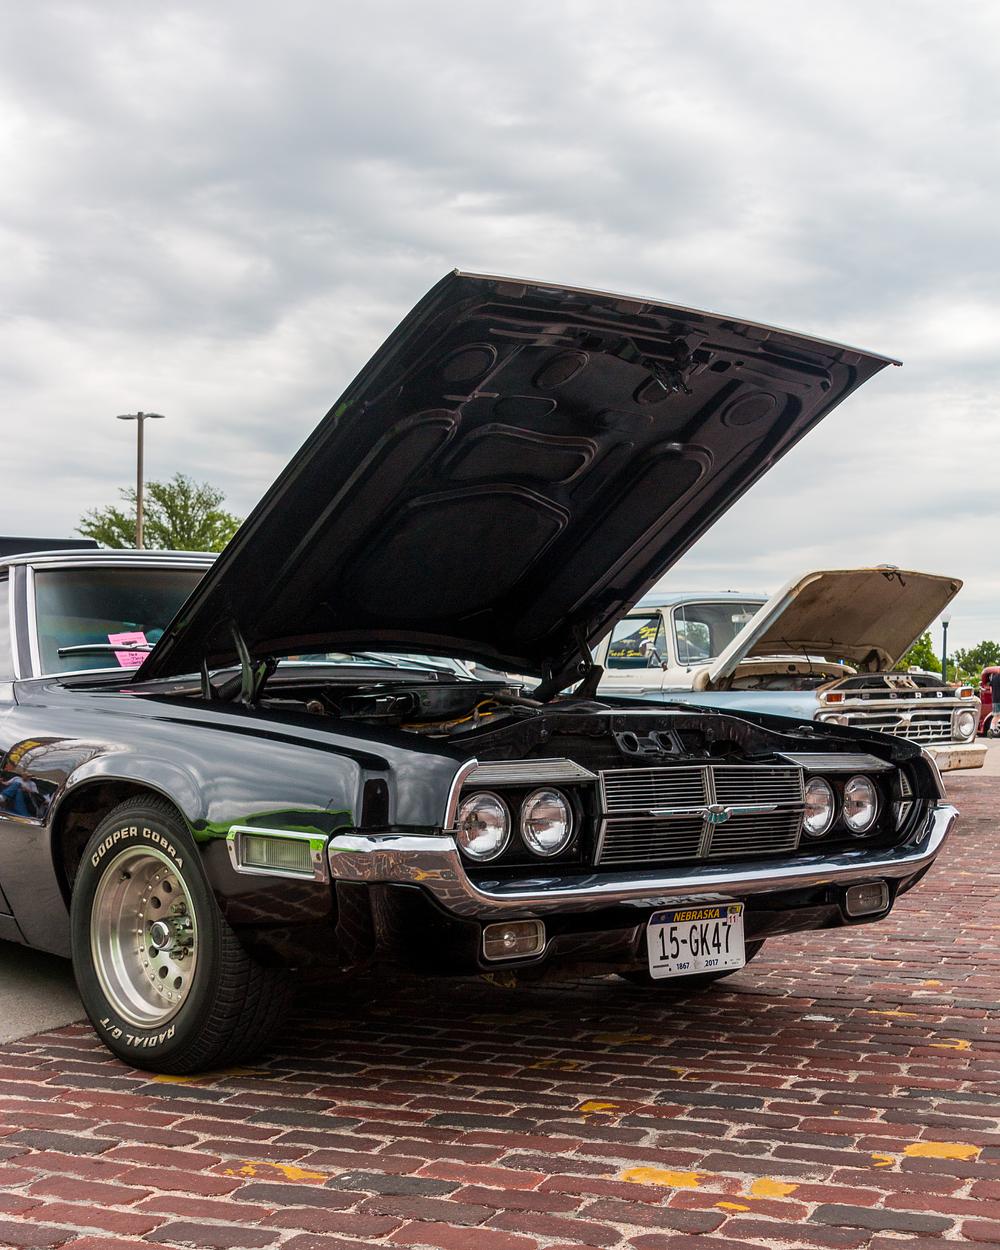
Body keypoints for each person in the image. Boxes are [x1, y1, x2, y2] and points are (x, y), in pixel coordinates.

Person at [989, 669, 1000, 736]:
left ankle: (992, 729)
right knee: (997, 716)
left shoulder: (993, 678)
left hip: (994, 700)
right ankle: (992, 729)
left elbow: (991, 690)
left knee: (996, 716)